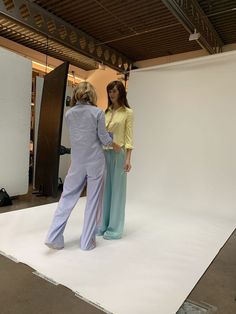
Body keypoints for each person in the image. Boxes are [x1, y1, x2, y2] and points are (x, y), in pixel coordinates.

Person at [45, 82, 120, 251]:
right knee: (93, 200)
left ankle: (53, 236)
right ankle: (87, 242)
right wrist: (114, 143)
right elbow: (104, 139)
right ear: (92, 95)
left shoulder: (69, 114)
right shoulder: (98, 113)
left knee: (66, 198)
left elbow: (79, 137)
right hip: (95, 162)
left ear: (77, 94)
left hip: (77, 162)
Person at [97, 80, 134, 240]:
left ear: (120, 92)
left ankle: (114, 228)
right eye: (109, 91)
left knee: (117, 192)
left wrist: (128, 159)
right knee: (105, 191)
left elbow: (129, 137)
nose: (111, 94)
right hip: (103, 154)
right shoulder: (104, 113)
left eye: (114, 91)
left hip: (118, 155)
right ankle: (102, 225)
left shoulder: (128, 112)